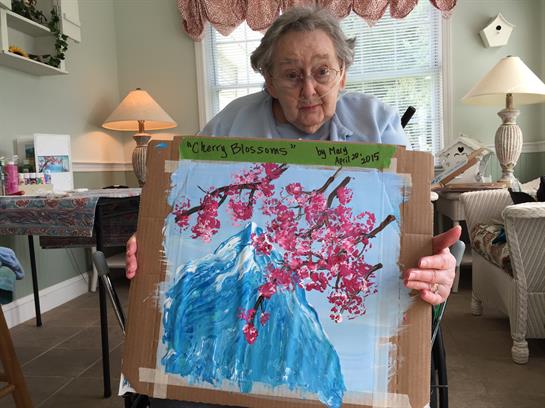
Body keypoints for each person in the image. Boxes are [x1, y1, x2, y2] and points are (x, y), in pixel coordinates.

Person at [125, 6, 460, 407]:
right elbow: (180, 201)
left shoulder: (377, 124)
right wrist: (151, 240)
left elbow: (408, 234)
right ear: (268, 80)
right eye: (291, 75)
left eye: (323, 71)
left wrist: (436, 267)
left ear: (342, 74)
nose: (309, 90)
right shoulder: (230, 125)